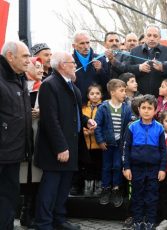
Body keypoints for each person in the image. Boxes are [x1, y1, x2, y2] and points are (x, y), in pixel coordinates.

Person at [34, 51, 97, 230]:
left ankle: (59, 219)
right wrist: (61, 147)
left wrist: (86, 121)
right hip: (56, 148)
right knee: (51, 187)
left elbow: (74, 113)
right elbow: (50, 120)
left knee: (63, 187)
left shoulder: (71, 86)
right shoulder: (50, 85)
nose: (75, 65)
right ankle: (44, 223)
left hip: (72, 145)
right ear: (62, 65)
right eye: (71, 62)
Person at [122, 95, 167, 230]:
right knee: (137, 195)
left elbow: (163, 150)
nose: (146, 111)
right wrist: (126, 167)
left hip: (154, 169)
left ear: (155, 110)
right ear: (139, 109)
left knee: (152, 196)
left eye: (150, 108)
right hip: (136, 168)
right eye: (143, 108)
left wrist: (162, 169)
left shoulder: (159, 128)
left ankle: (150, 221)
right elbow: (126, 148)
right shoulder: (132, 127)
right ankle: (137, 221)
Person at [0, 41, 32, 230]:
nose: (29, 60)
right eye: (25, 56)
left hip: (13, 152)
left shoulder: (18, 78)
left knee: (9, 196)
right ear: (10, 56)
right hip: (3, 149)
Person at [94, 79, 132, 207]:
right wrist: (100, 140)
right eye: (121, 91)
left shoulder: (126, 108)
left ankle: (116, 189)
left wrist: (126, 143)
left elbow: (128, 126)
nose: (124, 94)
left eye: (125, 91)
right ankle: (105, 188)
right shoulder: (103, 107)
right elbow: (97, 126)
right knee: (106, 166)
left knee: (117, 166)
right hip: (107, 144)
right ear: (112, 92)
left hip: (120, 144)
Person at [111, 24, 167, 96]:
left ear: (160, 38)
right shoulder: (134, 51)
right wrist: (139, 67)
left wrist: (163, 67)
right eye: (149, 35)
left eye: (155, 36)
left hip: (163, 97)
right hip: (139, 97)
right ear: (145, 37)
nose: (152, 38)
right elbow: (127, 69)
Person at [19, 57, 44, 227]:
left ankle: (30, 212)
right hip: (21, 138)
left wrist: (41, 111)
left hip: (38, 137)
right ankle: (24, 212)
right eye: (37, 67)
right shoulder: (19, 85)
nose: (41, 70)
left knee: (35, 175)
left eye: (42, 67)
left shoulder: (44, 87)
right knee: (23, 176)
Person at [72, 31, 108, 104]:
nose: (86, 46)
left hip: (97, 106)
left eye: (87, 43)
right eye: (82, 43)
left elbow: (107, 85)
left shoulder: (100, 59)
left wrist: (100, 70)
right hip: (76, 104)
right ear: (74, 46)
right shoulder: (69, 61)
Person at [82, 84, 103, 196]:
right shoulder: (83, 108)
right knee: (87, 166)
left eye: (97, 93)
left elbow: (103, 124)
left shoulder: (103, 107)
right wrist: (84, 131)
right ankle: (88, 187)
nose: (95, 96)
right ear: (88, 95)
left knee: (98, 166)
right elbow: (80, 121)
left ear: (101, 95)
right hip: (85, 144)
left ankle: (98, 187)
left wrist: (95, 131)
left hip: (98, 144)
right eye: (92, 93)